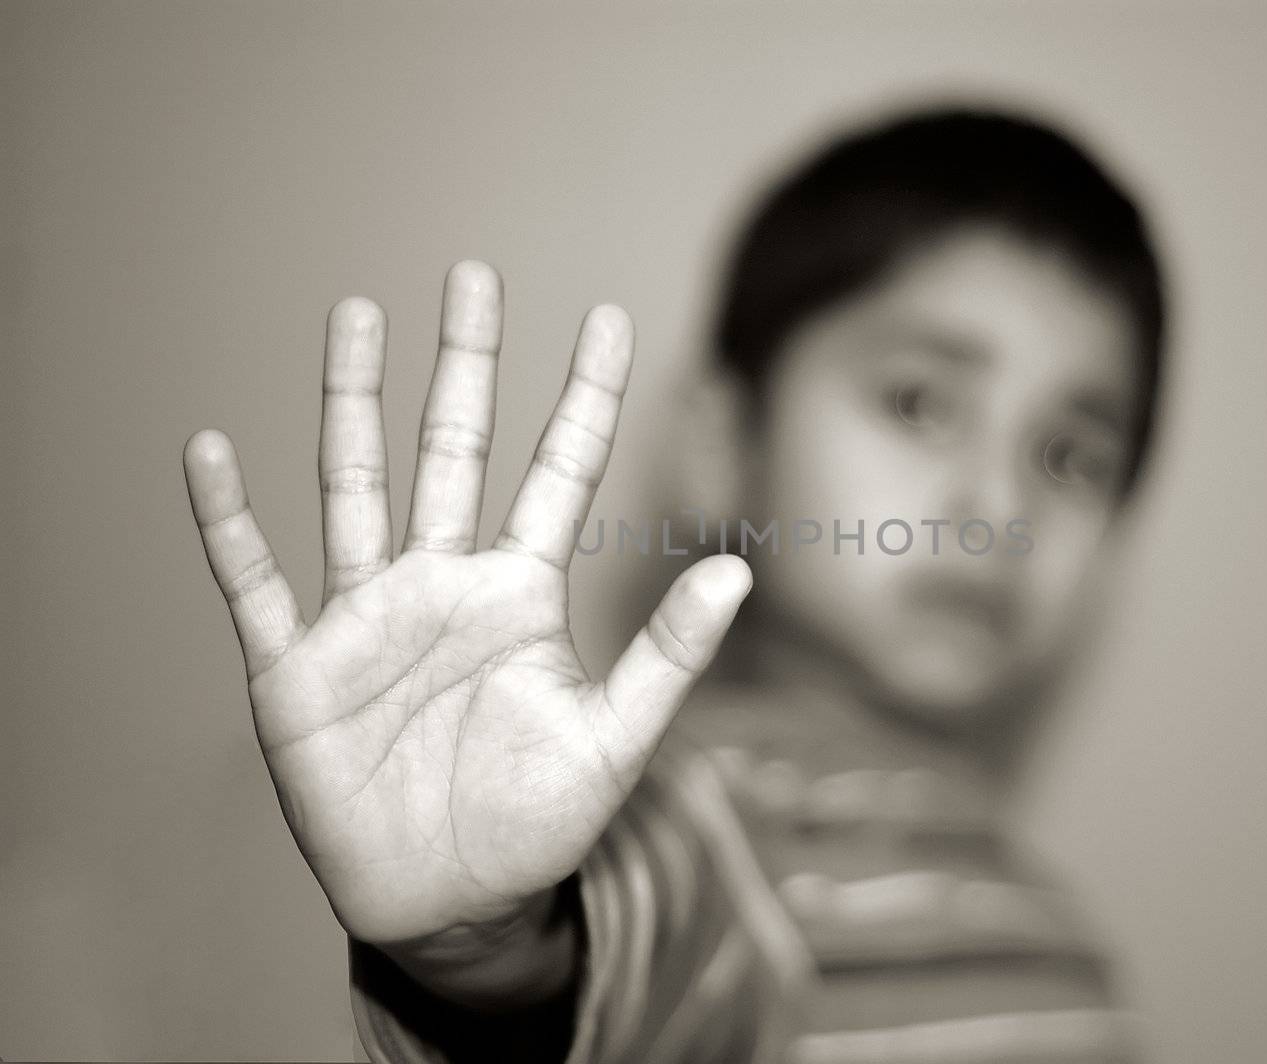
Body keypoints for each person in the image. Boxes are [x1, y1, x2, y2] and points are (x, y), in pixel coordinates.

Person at [182, 105, 1166, 1063]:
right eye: (918, 401)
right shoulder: (690, 820)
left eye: (1072, 456)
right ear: (721, 447)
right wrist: (483, 947)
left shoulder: (1057, 926)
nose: (998, 500)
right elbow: (614, 947)